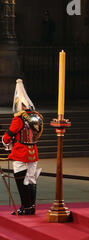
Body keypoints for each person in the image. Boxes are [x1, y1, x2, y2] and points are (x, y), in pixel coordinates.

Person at [2, 79, 43, 216]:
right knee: (31, 179)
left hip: (20, 152)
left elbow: (8, 136)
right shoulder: (37, 117)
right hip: (33, 152)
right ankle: (31, 206)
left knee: (21, 180)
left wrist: (5, 140)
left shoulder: (19, 119)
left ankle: (25, 207)